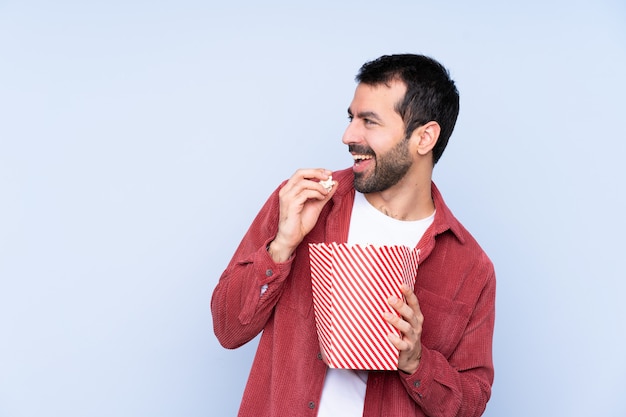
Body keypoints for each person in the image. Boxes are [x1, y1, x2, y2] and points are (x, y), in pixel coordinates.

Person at [211, 54, 496, 417]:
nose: (349, 136)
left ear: (425, 137)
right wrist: (282, 246)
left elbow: (471, 403)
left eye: (369, 122)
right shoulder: (302, 202)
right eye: (351, 117)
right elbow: (227, 328)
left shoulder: (470, 266)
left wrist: (417, 362)